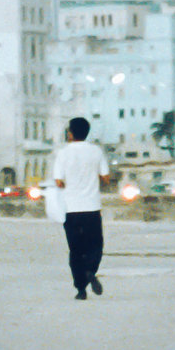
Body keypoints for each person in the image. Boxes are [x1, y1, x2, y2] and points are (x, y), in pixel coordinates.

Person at [49, 116, 112, 300]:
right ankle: (90, 271)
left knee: (76, 250)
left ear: (70, 133)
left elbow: (59, 182)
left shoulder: (63, 153)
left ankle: (81, 289)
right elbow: (106, 178)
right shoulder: (96, 151)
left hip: (71, 209)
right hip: (92, 207)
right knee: (95, 246)